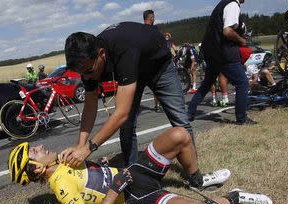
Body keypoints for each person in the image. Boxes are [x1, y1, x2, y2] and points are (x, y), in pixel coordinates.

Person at [8, 127, 272, 204]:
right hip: (135, 194)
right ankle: (236, 196)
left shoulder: (63, 160)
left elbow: (89, 171)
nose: (40, 147)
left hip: (134, 170)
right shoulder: (61, 188)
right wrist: (113, 190)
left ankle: (197, 180)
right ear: (36, 170)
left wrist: (98, 163)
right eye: (34, 152)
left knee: (179, 135)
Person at [62, 23, 194, 166]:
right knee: (126, 127)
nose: (86, 78)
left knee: (179, 119)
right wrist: (80, 145)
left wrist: (90, 147)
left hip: (158, 64)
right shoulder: (87, 64)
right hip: (133, 70)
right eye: (81, 73)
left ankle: (193, 172)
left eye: (88, 71)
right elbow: (89, 108)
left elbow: (121, 113)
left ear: (101, 54)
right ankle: (132, 171)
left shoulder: (123, 49)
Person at [187, 0, 256, 125]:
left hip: (211, 51)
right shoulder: (233, 5)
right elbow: (227, 31)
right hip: (224, 52)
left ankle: (189, 113)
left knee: (206, 84)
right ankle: (242, 118)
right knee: (242, 83)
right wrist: (242, 41)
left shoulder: (222, 5)